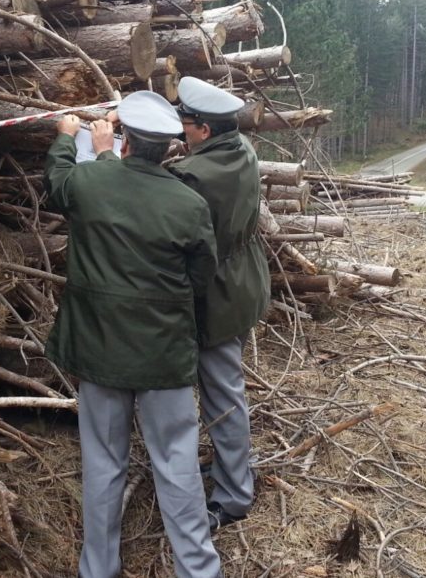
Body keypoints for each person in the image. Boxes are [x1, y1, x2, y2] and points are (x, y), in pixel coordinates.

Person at [43, 91, 224, 578]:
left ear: (124, 142)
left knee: (103, 464)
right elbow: (201, 276)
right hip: (163, 355)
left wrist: (67, 139)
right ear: (168, 147)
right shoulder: (188, 203)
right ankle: (199, 570)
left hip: (99, 350)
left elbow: (57, 183)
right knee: (177, 464)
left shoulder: (92, 180)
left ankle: (98, 569)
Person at [169, 77, 271, 532]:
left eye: (185, 123)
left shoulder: (196, 175)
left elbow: (155, 194)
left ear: (204, 131)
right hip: (244, 282)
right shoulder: (240, 148)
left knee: (223, 396)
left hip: (219, 293)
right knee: (224, 389)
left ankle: (233, 495)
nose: (180, 131)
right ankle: (231, 470)